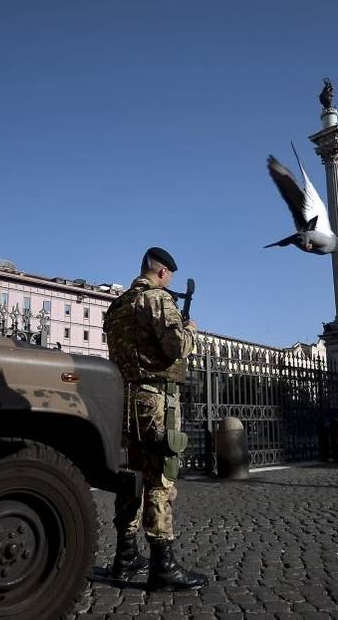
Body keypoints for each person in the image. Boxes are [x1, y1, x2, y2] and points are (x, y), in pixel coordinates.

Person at [103, 247, 207, 591]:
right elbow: (175, 347)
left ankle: (125, 557)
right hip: (155, 399)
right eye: (170, 277)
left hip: (124, 398)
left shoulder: (118, 306)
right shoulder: (157, 299)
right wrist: (190, 329)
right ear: (162, 272)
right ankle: (163, 567)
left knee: (130, 477)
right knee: (160, 477)